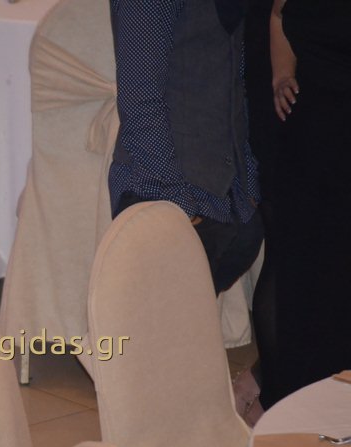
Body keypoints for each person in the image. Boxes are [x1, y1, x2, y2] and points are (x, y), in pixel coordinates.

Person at [108, 0, 264, 294]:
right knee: (160, 319)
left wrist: (248, 189)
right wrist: (178, 207)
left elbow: (237, 79)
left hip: (228, 199)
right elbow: (140, 100)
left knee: (192, 321)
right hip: (165, 195)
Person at [258, 0, 351, 407]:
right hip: (306, 139)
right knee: (299, 273)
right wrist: (282, 74)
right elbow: (279, 14)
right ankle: (292, 406)